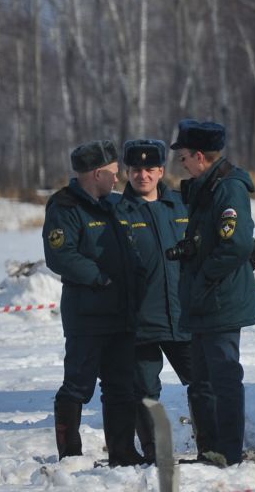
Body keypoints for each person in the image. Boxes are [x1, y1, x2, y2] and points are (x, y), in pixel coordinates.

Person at [42, 140, 141, 465]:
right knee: (77, 385)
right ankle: (70, 455)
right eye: (112, 173)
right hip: (88, 315)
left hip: (121, 314)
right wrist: (99, 277)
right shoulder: (65, 206)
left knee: (121, 386)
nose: (117, 179)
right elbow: (60, 255)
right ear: (96, 174)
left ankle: (123, 452)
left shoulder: (115, 204)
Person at [116, 136, 210, 461]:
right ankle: (156, 452)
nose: (142, 175)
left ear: (160, 171)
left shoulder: (182, 205)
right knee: (144, 392)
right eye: (135, 169)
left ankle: (211, 448)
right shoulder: (116, 213)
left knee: (202, 381)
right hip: (140, 320)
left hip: (184, 315)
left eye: (149, 168)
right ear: (127, 172)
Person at [170, 119, 255, 467]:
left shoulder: (227, 190)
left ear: (200, 156)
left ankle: (228, 453)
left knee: (223, 378)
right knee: (201, 381)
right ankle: (209, 450)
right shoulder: (206, 188)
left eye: (185, 157)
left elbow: (236, 244)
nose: (183, 164)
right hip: (204, 300)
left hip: (220, 299)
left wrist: (204, 276)